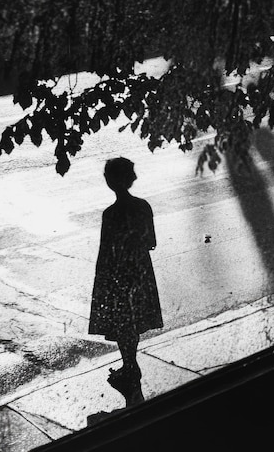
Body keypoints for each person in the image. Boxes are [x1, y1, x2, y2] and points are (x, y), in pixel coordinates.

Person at [89, 157, 163, 392]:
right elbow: (151, 241)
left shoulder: (110, 214)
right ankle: (130, 365)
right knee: (135, 317)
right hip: (139, 269)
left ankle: (130, 364)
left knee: (122, 320)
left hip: (118, 272)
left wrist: (102, 277)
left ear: (110, 181)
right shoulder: (143, 206)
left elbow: (105, 249)